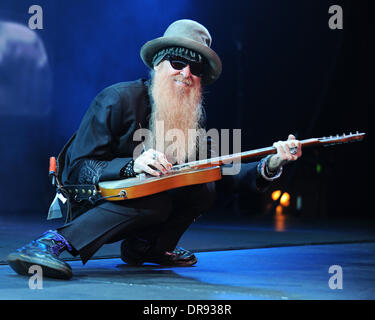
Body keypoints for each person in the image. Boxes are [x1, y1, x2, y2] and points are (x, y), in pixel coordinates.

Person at [7, 19, 302, 280]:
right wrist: (131, 165)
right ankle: (49, 244)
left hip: (144, 204)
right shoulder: (116, 99)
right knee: (156, 201)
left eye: (196, 68)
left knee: (203, 187)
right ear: (158, 65)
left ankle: (147, 248)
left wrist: (272, 162)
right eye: (178, 63)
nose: (186, 73)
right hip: (95, 201)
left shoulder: (191, 123)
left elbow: (226, 170)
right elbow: (77, 168)